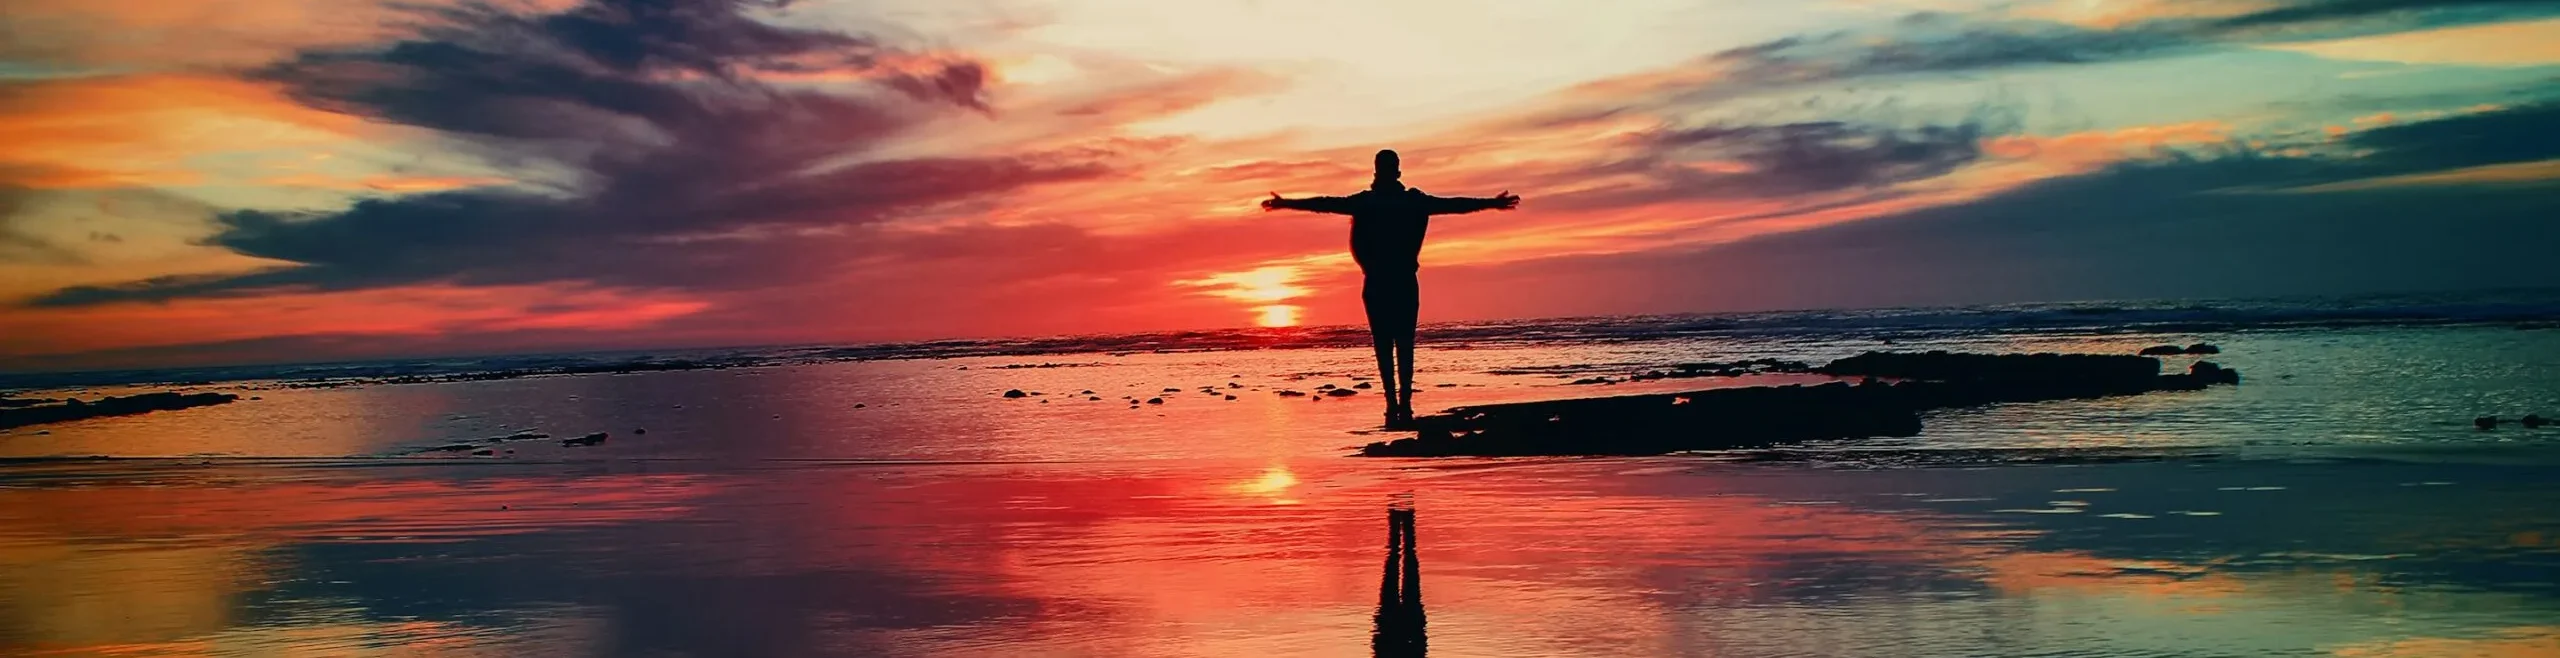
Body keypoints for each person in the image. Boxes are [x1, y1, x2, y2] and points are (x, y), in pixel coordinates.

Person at [1261, 149, 1519, 429]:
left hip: (1381, 281)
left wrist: (1287, 203)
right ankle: (1402, 401)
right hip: (1401, 281)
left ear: (1377, 172)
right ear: (1397, 172)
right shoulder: (1408, 202)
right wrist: (1491, 204)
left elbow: (1327, 203)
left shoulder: (1374, 202)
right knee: (1402, 342)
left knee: (1385, 343)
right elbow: (1453, 205)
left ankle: (1394, 402)